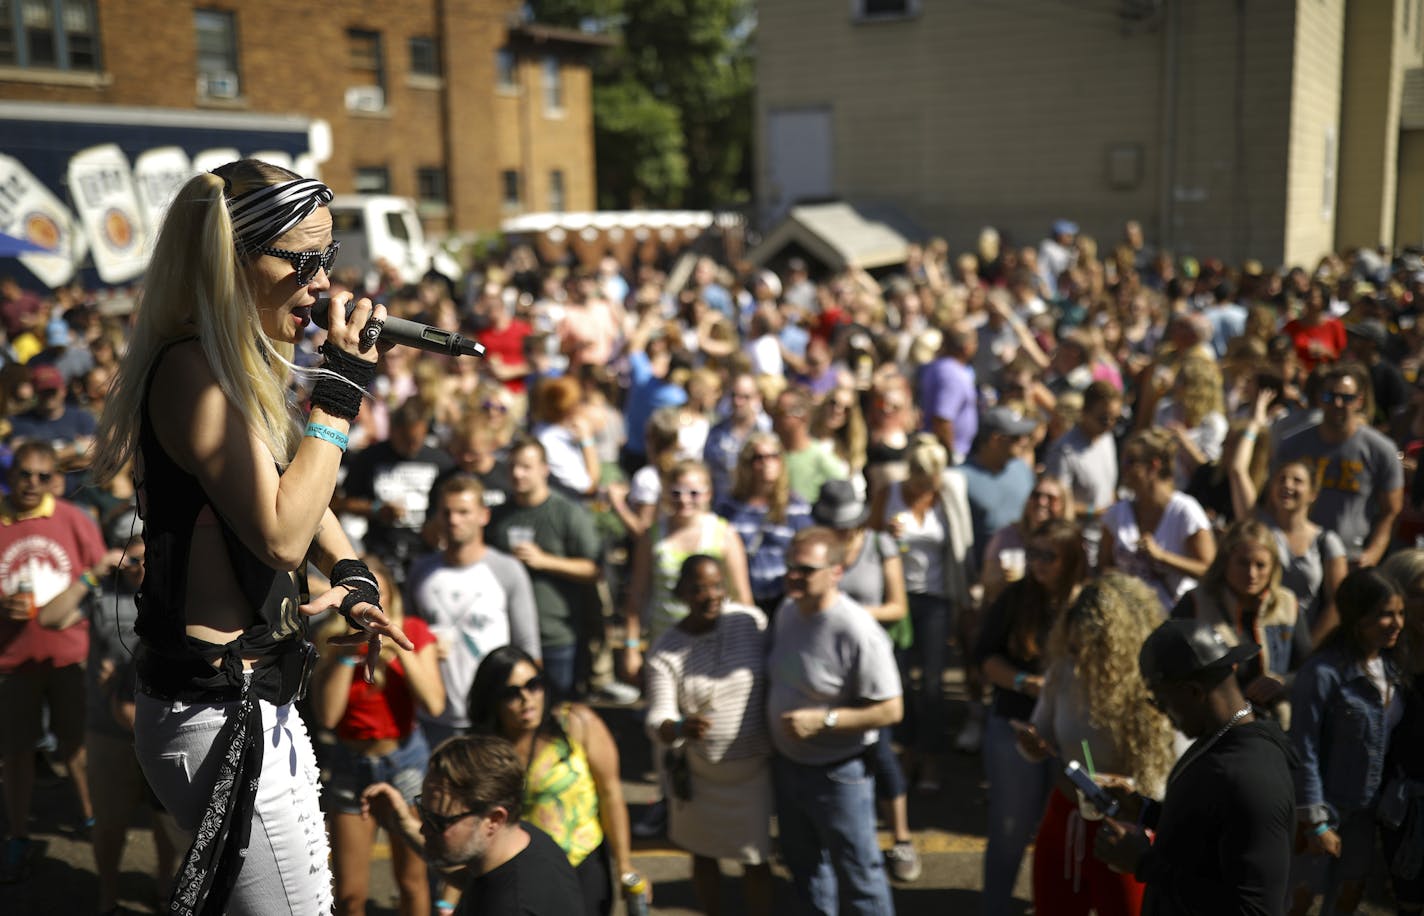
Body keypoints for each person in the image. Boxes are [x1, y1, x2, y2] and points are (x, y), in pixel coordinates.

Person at [88, 160, 410, 914]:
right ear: (232, 260)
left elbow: (287, 485)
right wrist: (339, 392)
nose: (321, 285)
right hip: (216, 709)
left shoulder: (223, 365)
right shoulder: (192, 372)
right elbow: (280, 535)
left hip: (252, 696)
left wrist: (355, 572)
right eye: (302, 262)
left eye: (327, 260)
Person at [1094, 618, 1297, 915]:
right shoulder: (1218, 739)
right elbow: (1207, 832)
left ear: (1193, 692)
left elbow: (1253, 910)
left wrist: (1144, 864)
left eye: (1161, 701)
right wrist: (1145, 811)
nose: (1162, 714)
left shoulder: (1253, 779)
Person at [1015, 572, 1176, 916]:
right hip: (1066, 818)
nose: (1080, 659)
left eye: (1092, 649)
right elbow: (1039, 731)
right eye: (1073, 648)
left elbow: (1169, 778)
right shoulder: (1063, 671)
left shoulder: (1152, 689)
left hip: (1126, 828)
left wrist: (1127, 790)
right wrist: (1031, 745)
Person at [0, 441, 121, 883]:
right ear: (11, 476)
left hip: (73, 656)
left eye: (43, 476)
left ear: (56, 478)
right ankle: (17, 835)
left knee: (77, 747)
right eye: (24, 474)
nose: (33, 483)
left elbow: (100, 575)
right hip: (11, 661)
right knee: (15, 753)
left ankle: (93, 821)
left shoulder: (75, 519)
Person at [767, 526, 903, 915]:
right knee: (807, 873)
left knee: (860, 878)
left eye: (805, 569)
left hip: (839, 776)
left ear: (836, 571)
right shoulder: (787, 610)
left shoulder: (858, 630)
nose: (793, 575)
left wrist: (824, 720)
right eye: (790, 566)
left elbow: (891, 710)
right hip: (789, 768)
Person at [465, 646, 642, 916]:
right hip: (521, 873)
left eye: (533, 685)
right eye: (512, 693)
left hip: (584, 865)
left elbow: (611, 794)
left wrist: (625, 864)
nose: (527, 699)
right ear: (492, 700)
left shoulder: (577, 723)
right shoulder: (483, 750)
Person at [314, 555, 445, 916]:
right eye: (359, 603)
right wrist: (349, 655)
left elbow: (434, 704)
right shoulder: (332, 638)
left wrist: (396, 654)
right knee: (350, 892)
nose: (369, 612)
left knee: (412, 882)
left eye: (375, 600)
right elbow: (327, 717)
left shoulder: (413, 631)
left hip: (404, 761)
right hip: (350, 763)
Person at [645, 555, 774, 915]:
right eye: (699, 588)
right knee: (703, 856)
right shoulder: (665, 651)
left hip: (753, 775)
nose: (711, 595)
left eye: (717, 585)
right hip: (701, 778)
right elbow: (658, 719)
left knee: (757, 860)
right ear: (681, 592)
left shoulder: (751, 623)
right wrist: (681, 727)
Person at [973, 519, 1088, 916]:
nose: (1037, 564)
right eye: (1032, 554)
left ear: (1072, 558)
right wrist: (1026, 682)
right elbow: (984, 657)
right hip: (1016, 724)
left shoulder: (1089, 605)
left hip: (1074, 732)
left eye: (1048, 556)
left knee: (1064, 832)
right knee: (1010, 828)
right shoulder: (1015, 598)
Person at [811, 479, 918, 883]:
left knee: (882, 750)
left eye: (845, 525)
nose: (840, 532)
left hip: (873, 665)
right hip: (828, 665)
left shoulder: (879, 545)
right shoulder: (818, 549)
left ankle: (902, 838)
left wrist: (848, 615)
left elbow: (897, 606)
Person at [1287, 568, 1407, 916]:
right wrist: (1316, 821)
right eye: (1385, 614)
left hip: (1366, 812)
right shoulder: (1323, 673)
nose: (1396, 623)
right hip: (1326, 808)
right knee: (1301, 899)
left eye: (1400, 613)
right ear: (1357, 616)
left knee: (1348, 898)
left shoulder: (1393, 666)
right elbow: (1303, 749)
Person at [361, 734, 584, 915]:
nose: (424, 828)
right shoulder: (527, 842)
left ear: (494, 820)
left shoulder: (511, 907)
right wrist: (405, 826)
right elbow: (471, 881)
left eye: (439, 821)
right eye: (423, 811)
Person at [870, 432, 974, 790]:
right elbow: (869, 541)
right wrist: (887, 532)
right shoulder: (889, 494)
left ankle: (930, 758)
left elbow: (961, 546)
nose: (928, 485)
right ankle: (907, 750)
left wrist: (963, 603)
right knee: (899, 677)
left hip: (937, 598)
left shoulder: (947, 496)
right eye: (922, 478)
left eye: (933, 478)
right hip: (898, 597)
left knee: (933, 682)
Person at [408, 475, 540, 744]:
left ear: (484, 515)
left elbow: (528, 649)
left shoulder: (507, 570)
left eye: (464, 512)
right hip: (435, 718)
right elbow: (408, 637)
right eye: (446, 512)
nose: (454, 520)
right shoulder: (421, 571)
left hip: (494, 715)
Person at [485, 434, 602, 697]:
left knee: (560, 711)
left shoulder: (567, 512)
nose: (517, 473)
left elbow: (594, 570)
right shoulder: (499, 516)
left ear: (544, 470)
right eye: (512, 466)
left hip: (556, 633)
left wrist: (544, 561)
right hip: (509, 634)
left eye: (526, 466)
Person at [623, 459, 752, 681]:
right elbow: (637, 594)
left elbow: (742, 596)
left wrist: (745, 645)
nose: (684, 500)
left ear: (708, 494)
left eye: (694, 493)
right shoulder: (652, 536)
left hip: (715, 641)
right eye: (676, 492)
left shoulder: (725, 535)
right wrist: (631, 647)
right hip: (664, 643)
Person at [1170, 518, 1306, 717]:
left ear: (1273, 567)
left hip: (1275, 726)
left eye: (1260, 565)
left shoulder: (1286, 604)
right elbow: (1170, 665)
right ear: (1225, 561)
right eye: (1243, 563)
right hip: (1215, 726)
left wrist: (1282, 681)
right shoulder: (1197, 603)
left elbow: (1309, 667)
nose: (1252, 574)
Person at [1276, 363, 1403, 567]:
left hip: (1352, 556)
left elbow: (1391, 510)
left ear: (1359, 401)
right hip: (1299, 554)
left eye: (1346, 398)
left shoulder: (1381, 450)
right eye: (1329, 396)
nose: (1337, 403)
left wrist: (1373, 553)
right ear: (1319, 398)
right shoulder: (1293, 445)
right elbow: (1272, 499)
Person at [334, 396, 456, 586]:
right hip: (381, 549)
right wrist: (377, 509)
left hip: (426, 550)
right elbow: (342, 503)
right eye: (407, 440)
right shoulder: (370, 458)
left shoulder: (441, 461)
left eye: (419, 439)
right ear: (394, 430)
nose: (413, 446)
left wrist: (437, 524)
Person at [1100, 427, 1216, 612]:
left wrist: (1162, 557)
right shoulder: (1116, 513)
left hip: (1173, 618)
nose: (1124, 469)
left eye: (1131, 462)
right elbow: (1103, 568)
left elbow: (1209, 571)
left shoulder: (1185, 511)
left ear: (1154, 466)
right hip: (1126, 616)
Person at [716, 431, 814, 617]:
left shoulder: (795, 506)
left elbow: (805, 549)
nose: (767, 463)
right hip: (741, 598)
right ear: (747, 464)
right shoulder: (729, 507)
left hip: (783, 600)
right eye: (759, 458)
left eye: (773, 456)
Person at [1044, 381, 1121, 564]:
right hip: (1082, 547)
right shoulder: (1063, 451)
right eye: (1103, 419)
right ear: (1085, 412)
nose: (1110, 424)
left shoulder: (1107, 439)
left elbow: (1108, 486)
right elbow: (1057, 503)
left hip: (1107, 540)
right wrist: (1095, 512)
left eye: (1115, 419)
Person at [979, 474, 1075, 606]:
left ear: (1064, 505)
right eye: (1036, 495)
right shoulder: (1006, 536)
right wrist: (1005, 578)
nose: (1042, 502)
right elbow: (988, 585)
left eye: (1051, 498)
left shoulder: (1072, 542)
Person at [703, 371, 772, 505]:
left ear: (758, 398)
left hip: (754, 508)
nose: (737, 402)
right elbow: (707, 470)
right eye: (734, 395)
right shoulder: (716, 433)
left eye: (745, 397)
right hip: (722, 505)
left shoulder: (767, 432)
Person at [773, 386, 845, 504]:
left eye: (781, 413)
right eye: (774, 412)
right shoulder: (769, 454)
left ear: (803, 417)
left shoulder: (821, 457)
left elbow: (842, 487)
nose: (775, 418)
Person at [919, 322, 979, 462]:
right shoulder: (952, 374)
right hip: (946, 453)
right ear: (966, 347)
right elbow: (942, 419)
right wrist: (951, 454)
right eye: (974, 342)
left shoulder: (942, 367)